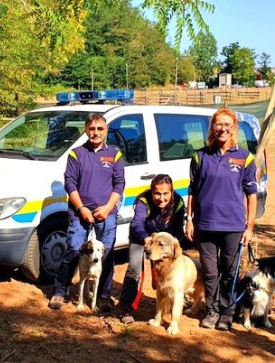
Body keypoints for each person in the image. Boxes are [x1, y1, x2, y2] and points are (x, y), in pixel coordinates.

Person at [186, 108, 257, 331]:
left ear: (234, 128)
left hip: (233, 226)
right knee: (210, 272)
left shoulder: (244, 157)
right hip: (205, 225)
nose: (222, 129)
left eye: (227, 125)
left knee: (229, 271)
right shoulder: (200, 156)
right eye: (218, 124)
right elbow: (192, 191)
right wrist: (189, 219)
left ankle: (227, 314)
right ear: (212, 128)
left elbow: (251, 194)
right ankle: (212, 311)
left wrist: (250, 227)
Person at [48, 113, 125, 313]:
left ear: (106, 130)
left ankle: (104, 296)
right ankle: (60, 290)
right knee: (74, 250)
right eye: (92, 128)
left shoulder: (115, 154)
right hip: (79, 213)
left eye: (100, 128)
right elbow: (70, 183)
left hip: (106, 214)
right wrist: (81, 208)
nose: (96, 132)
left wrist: (108, 208)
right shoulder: (76, 154)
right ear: (86, 130)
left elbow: (120, 184)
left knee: (105, 255)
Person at [119, 174, 186, 324]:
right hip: (141, 237)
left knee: (166, 272)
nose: (161, 198)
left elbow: (178, 231)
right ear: (151, 192)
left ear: (171, 192)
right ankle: (126, 308)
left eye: (165, 194)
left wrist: (172, 247)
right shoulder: (144, 202)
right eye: (157, 193)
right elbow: (137, 224)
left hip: (162, 242)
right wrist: (146, 239)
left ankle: (166, 306)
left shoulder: (179, 202)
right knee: (135, 269)